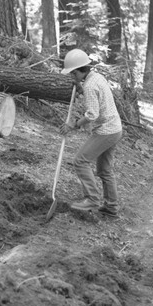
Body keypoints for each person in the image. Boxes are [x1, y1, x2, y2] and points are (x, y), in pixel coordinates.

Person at [59, 49, 123, 217]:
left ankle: (92, 199)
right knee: (104, 170)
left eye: (73, 74)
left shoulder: (89, 85)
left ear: (79, 70)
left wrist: (73, 124)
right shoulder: (96, 77)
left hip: (106, 131)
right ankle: (111, 207)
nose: (72, 77)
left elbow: (92, 114)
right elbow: (97, 97)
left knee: (80, 161)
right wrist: (79, 87)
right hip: (115, 128)